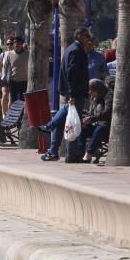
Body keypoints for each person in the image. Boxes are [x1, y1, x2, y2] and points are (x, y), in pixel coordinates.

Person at [39, 27, 90, 162]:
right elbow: (72, 73)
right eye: (86, 36)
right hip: (75, 94)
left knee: (62, 121)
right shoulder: (76, 50)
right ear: (79, 36)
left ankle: (53, 148)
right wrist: (72, 94)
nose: (88, 39)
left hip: (71, 93)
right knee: (72, 124)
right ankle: (71, 155)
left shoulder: (71, 49)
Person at [80, 78, 112, 162]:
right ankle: (80, 154)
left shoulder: (108, 96)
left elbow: (107, 113)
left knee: (99, 130)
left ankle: (88, 155)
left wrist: (91, 119)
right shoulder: (94, 98)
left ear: (97, 89)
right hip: (96, 124)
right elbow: (91, 113)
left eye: (91, 90)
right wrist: (85, 118)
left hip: (107, 126)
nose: (89, 93)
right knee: (83, 129)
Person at [1, 36, 28, 119]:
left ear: (22, 44)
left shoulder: (27, 54)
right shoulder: (9, 54)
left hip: (24, 81)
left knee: (23, 101)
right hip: (13, 81)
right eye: (15, 43)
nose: (16, 45)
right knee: (13, 100)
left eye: (18, 43)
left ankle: (21, 118)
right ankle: (12, 118)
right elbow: (5, 67)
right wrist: (3, 77)